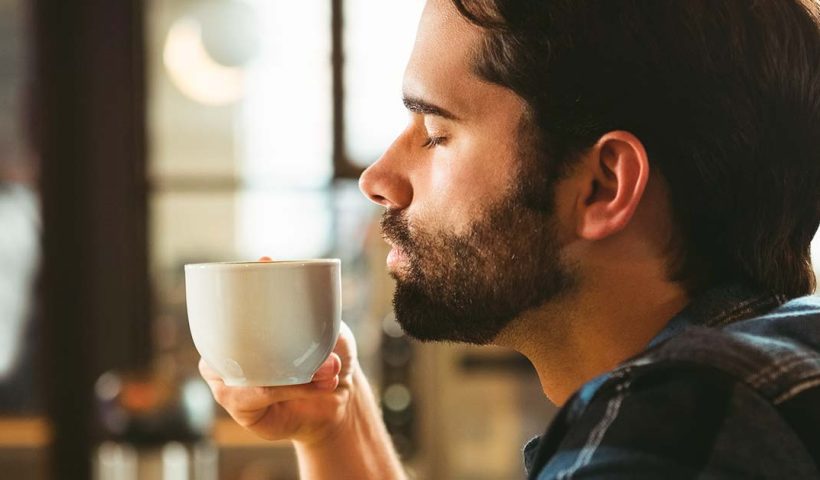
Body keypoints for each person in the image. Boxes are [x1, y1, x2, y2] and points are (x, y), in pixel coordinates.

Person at [200, 0, 820, 478]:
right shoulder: (767, 372)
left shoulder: (680, 427)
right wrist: (336, 425)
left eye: (436, 132)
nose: (378, 179)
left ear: (602, 185)